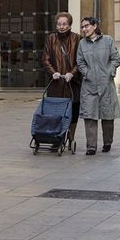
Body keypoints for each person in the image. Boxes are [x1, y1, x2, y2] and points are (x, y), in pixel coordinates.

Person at [76, 16, 120, 155]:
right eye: (82, 27)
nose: (84, 29)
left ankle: (107, 142)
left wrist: (110, 72)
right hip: (89, 85)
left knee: (107, 116)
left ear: (95, 26)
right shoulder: (82, 44)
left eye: (86, 26)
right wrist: (86, 73)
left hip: (106, 84)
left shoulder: (108, 40)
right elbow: (80, 62)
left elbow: (116, 59)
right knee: (90, 116)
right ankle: (91, 146)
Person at [42, 11, 82, 144]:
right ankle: (56, 138)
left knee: (73, 112)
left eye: (64, 24)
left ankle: (71, 138)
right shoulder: (51, 38)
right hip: (56, 83)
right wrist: (53, 72)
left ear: (70, 25)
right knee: (55, 112)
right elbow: (45, 59)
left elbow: (80, 60)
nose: (61, 26)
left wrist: (73, 73)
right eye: (59, 24)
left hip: (73, 83)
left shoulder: (77, 38)